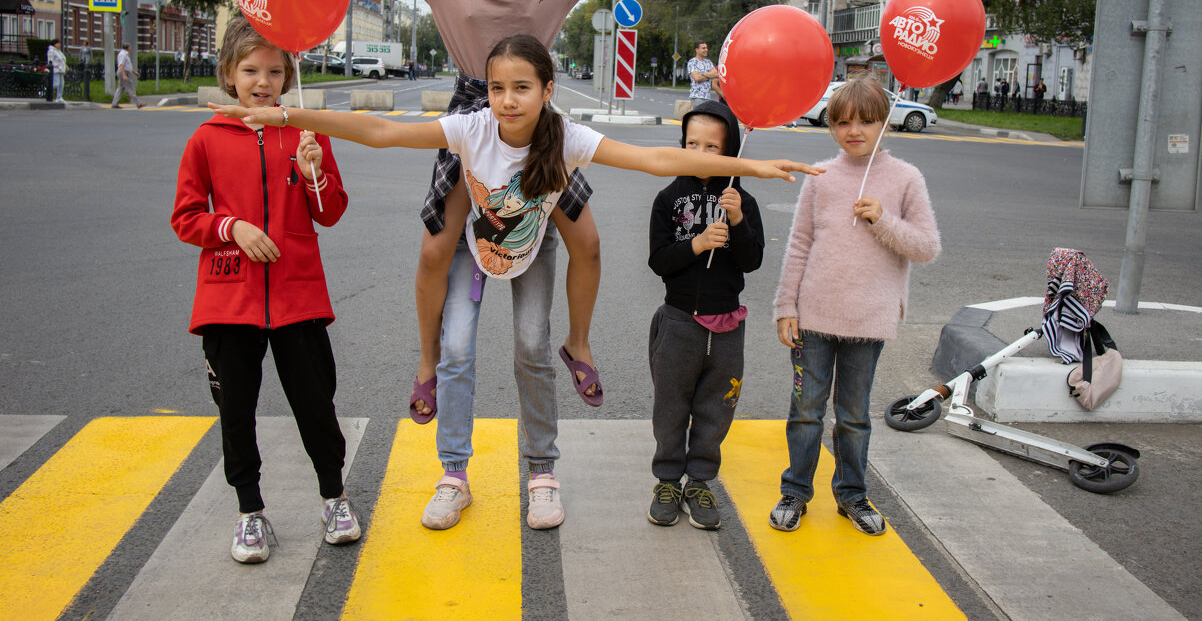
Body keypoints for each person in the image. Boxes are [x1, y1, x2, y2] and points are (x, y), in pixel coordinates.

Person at [210, 33, 821, 532]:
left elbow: (657, 159)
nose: (507, 100)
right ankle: (454, 475)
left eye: (521, 88)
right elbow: (380, 130)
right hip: (479, 249)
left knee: (532, 348)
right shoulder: (473, 128)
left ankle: (542, 475)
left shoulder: (567, 137)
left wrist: (750, 166)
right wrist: (284, 112)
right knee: (455, 350)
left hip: (533, 249)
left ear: (547, 91)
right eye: (498, 87)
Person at [239, 0, 747, 424]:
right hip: (470, 118)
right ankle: (428, 363)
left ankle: (578, 344)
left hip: (539, 124)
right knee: (436, 248)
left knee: (590, 242)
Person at [172, 16, 361, 564]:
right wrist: (233, 228)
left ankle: (335, 497)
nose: (264, 81)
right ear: (229, 74)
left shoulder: (305, 130)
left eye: (276, 70)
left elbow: (330, 214)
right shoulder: (206, 138)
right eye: (251, 69)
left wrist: (312, 173)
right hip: (229, 298)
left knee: (315, 404)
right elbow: (186, 218)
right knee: (236, 411)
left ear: (288, 75)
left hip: (298, 295)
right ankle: (249, 513)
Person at [768, 75, 940, 537]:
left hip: (869, 318)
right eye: (842, 122)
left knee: (854, 416)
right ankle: (795, 491)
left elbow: (926, 247)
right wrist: (787, 306)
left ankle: (851, 494)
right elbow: (799, 245)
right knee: (806, 409)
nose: (854, 130)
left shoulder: (905, 179)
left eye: (866, 121)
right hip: (814, 317)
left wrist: (883, 220)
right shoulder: (821, 178)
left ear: (886, 122)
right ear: (831, 127)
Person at [646, 100, 764, 531]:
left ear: (730, 150)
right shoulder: (667, 197)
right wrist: (695, 245)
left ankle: (699, 481)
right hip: (679, 322)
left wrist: (736, 222)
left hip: (728, 324)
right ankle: (666, 481)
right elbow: (658, 260)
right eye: (692, 142)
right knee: (670, 407)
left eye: (712, 146)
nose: (700, 152)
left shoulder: (741, 198)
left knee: (717, 408)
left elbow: (751, 261)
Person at [686, 42, 723, 107]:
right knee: (700, 116)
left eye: (706, 48)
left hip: (707, 97)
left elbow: (716, 74)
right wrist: (710, 75)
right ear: (697, 50)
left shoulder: (708, 62)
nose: (706, 50)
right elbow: (697, 78)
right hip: (697, 97)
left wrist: (703, 73)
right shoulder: (692, 62)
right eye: (703, 48)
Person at [112, 43, 145, 109]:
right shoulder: (123, 54)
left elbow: (127, 66)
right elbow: (121, 65)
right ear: (127, 48)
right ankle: (138, 103)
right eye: (130, 47)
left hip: (124, 72)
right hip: (123, 73)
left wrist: (134, 72)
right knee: (130, 88)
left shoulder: (125, 54)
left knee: (120, 89)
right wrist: (124, 75)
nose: (131, 48)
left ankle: (114, 103)